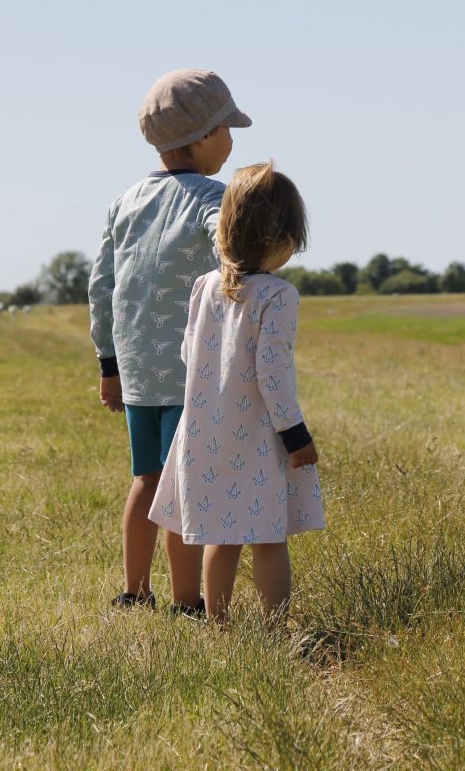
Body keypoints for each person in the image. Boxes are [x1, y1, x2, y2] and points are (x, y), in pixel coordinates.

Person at [88, 69, 251, 614]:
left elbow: (102, 284)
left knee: (145, 478)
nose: (232, 139)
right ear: (203, 135)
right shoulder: (214, 198)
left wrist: (108, 364)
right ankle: (187, 603)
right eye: (228, 127)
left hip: (135, 368)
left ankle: (135, 592)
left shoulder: (126, 200)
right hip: (190, 370)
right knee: (182, 485)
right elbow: (223, 238)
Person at [150, 162, 324, 622]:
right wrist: (296, 435)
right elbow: (273, 373)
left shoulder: (204, 286)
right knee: (268, 536)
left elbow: (190, 354)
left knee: (219, 535)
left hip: (204, 432)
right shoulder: (278, 295)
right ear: (284, 238)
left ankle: (218, 627)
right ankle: (273, 629)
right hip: (257, 438)